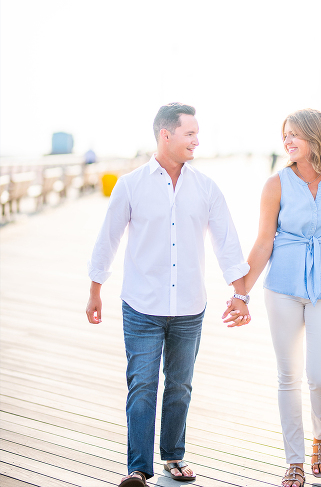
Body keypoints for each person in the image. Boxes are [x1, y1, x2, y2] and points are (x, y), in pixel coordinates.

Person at [86, 103, 251, 486]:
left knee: (180, 385)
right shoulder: (131, 185)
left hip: (190, 306)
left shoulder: (206, 187)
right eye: (190, 133)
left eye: (196, 133)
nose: (197, 140)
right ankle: (138, 469)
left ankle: (174, 455)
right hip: (141, 305)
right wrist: (96, 290)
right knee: (142, 383)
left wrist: (240, 294)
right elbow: (107, 240)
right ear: (166, 135)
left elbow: (228, 243)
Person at [226, 108, 321, 487]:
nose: (288, 141)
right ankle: (293, 461)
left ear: (316, 138)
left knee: (320, 376)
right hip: (282, 289)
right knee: (288, 376)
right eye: (285, 135)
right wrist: (241, 293)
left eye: (295, 135)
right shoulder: (275, 184)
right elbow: (262, 243)